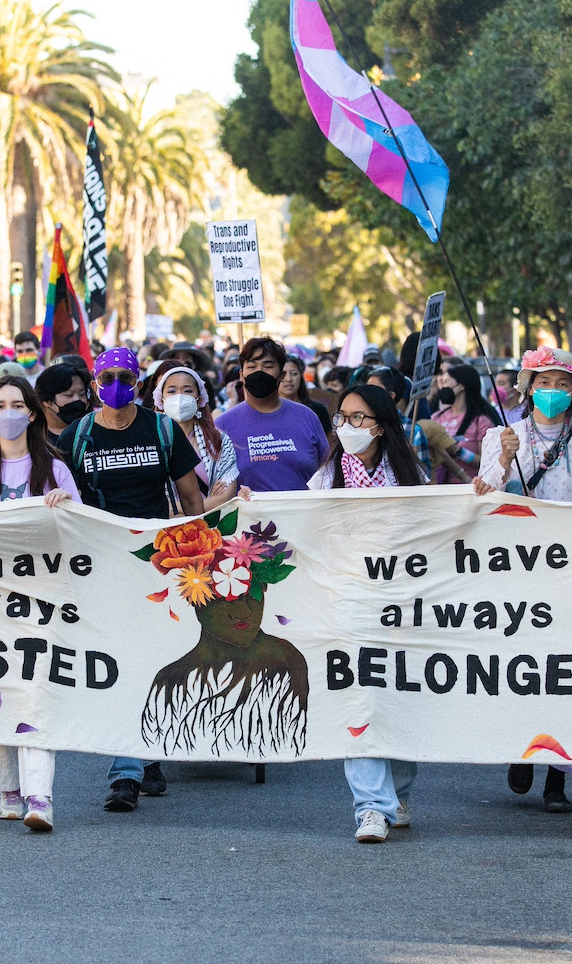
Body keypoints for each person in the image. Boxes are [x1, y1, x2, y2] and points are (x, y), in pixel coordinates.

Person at [55, 347, 204, 812]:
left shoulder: (160, 429)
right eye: (106, 377)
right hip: (99, 562)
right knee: (118, 659)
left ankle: (147, 753)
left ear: (138, 383)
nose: (115, 385)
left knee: (154, 658)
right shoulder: (76, 436)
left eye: (124, 376)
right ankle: (126, 773)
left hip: (157, 561)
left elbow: (190, 496)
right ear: (94, 383)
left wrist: (203, 557)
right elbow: (59, 496)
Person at [474, 347, 572, 812]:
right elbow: (484, 493)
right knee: (519, 665)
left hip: (566, 569)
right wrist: (504, 460)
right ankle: (519, 748)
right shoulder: (501, 436)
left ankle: (557, 777)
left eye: (563, 385)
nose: (553, 392)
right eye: (544, 383)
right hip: (513, 570)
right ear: (529, 390)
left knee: (561, 670)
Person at [0, 377, 78, 831]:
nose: (8, 412)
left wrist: (65, 505)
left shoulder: (56, 469)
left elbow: (79, 537)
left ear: (32, 413)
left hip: (43, 602)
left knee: (36, 694)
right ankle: (8, 788)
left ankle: (39, 797)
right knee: (0, 692)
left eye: (16, 404)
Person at [308, 384, 423, 840]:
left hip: (400, 603)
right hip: (348, 601)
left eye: (359, 418)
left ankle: (397, 792)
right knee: (359, 697)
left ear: (381, 425)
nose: (348, 426)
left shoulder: (411, 477)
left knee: (396, 697)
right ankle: (370, 807)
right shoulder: (325, 477)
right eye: (342, 417)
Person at [215, 338, 330, 493]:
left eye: (268, 366)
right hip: (248, 516)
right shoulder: (223, 425)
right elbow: (217, 487)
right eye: (252, 366)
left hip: (304, 515)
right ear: (242, 375)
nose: (259, 372)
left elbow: (326, 470)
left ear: (281, 375)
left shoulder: (307, 417)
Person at [148, 362, 238, 512]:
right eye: (171, 391)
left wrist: (171, 509)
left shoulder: (219, 441)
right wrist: (208, 502)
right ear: (161, 399)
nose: (179, 397)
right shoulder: (149, 442)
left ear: (199, 397)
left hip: (212, 530)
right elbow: (149, 502)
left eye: (187, 390)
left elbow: (225, 498)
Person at [433, 363, 500, 482]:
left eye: (446, 382)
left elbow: (488, 462)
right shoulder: (437, 418)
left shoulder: (481, 422)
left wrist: (459, 452)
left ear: (462, 385)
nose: (442, 387)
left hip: (470, 488)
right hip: (440, 488)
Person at [34, 362, 89, 438]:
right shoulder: (32, 435)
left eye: (82, 394)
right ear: (46, 401)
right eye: (69, 395)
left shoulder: (92, 430)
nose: (77, 399)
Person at [280, 355, 331, 437]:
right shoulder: (268, 412)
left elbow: (328, 443)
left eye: (294, 374)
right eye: (283, 374)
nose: (288, 379)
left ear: (301, 376)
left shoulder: (317, 410)